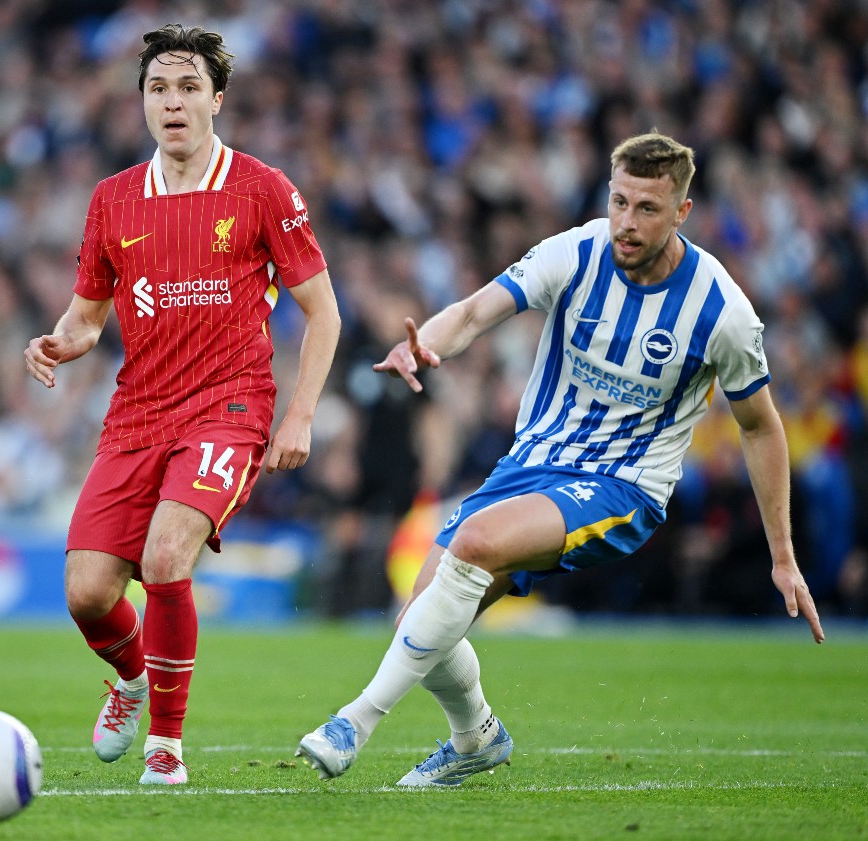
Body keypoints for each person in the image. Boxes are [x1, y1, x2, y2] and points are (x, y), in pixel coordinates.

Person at [295, 131, 824, 787]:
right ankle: (476, 738)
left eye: (647, 209)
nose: (626, 224)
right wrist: (422, 346)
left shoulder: (722, 312)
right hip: (531, 466)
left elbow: (761, 426)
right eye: (619, 202)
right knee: (419, 620)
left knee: (476, 541)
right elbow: (471, 312)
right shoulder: (575, 252)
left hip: (622, 485)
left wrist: (782, 553)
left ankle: (355, 720)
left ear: (683, 212)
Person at [24, 24, 339, 785]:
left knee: (167, 557)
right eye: (159, 88)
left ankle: (166, 747)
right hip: (138, 412)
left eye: (189, 87)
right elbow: (89, 317)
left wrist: (298, 415)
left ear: (217, 99)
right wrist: (61, 342)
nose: (173, 102)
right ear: (141, 102)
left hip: (229, 406)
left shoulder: (263, 188)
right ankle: (133, 682)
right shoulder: (112, 200)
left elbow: (323, 312)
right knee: (87, 593)